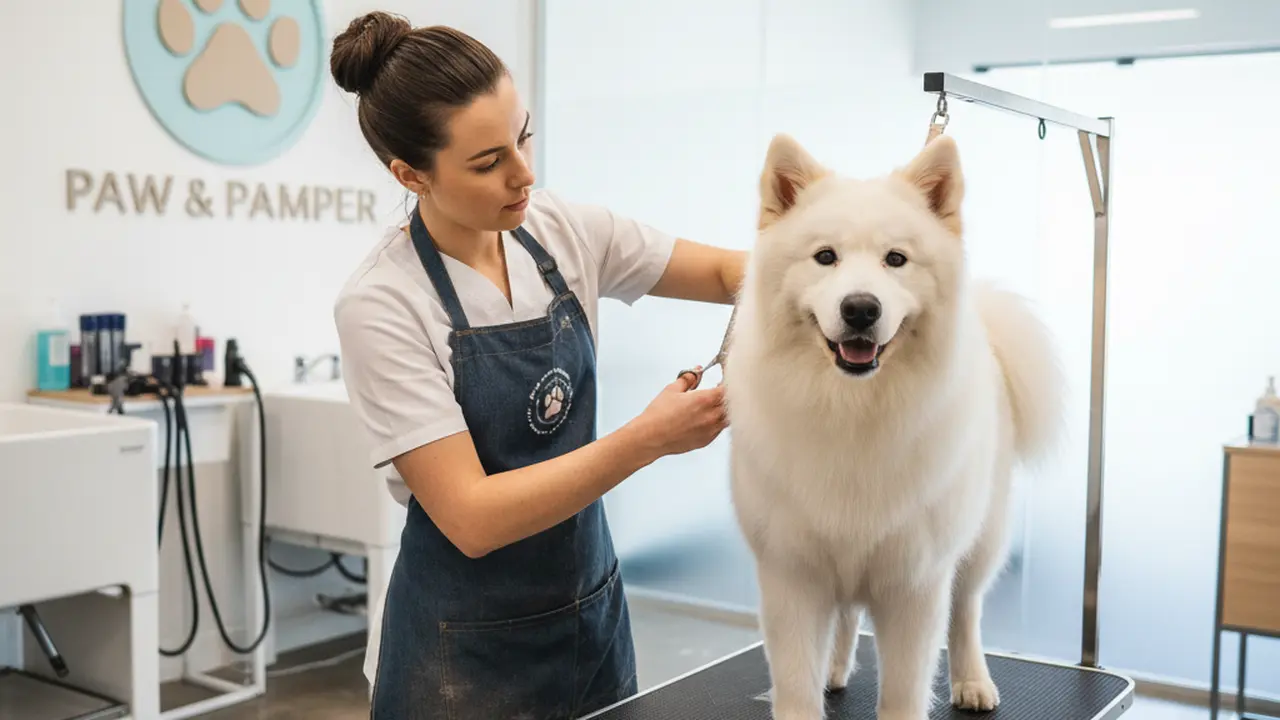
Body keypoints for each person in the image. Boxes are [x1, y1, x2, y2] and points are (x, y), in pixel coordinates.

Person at [328, 11, 747, 720]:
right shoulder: (383, 303)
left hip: (591, 621)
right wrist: (648, 438)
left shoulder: (562, 230)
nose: (525, 174)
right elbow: (472, 517)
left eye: (522, 136)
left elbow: (728, 274)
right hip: (457, 659)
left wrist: (853, 264)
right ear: (410, 173)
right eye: (488, 162)